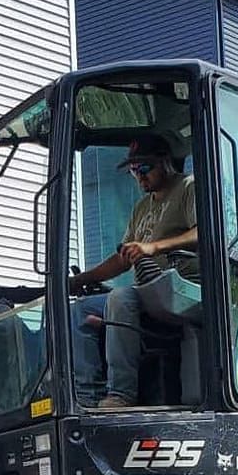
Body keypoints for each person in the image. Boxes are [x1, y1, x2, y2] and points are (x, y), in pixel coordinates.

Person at [69, 134, 199, 409]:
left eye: (143, 169)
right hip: (148, 292)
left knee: (120, 298)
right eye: (132, 171)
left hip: (182, 289)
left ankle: (121, 394)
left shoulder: (189, 187)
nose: (139, 177)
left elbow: (203, 231)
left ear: (164, 162)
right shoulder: (142, 207)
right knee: (81, 310)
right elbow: (123, 258)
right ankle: (87, 396)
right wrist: (81, 279)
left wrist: (153, 247)